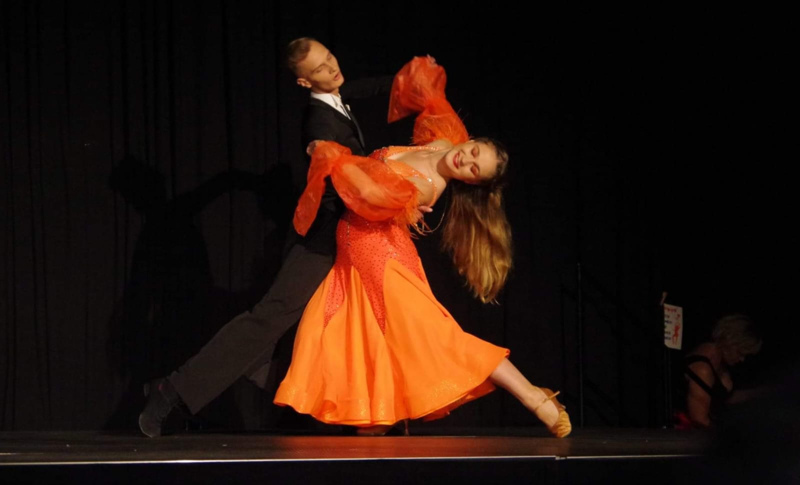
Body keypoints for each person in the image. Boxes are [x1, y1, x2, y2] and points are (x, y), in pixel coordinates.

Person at [273, 56, 572, 438]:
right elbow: (430, 97)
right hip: (355, 252)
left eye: (473, 170)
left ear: (470, 182)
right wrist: (424, 75)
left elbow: (366, 194)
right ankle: (379, 417)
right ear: (472, 141)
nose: (466, 160)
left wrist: (334, 156)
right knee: (364, 332)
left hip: (379, 255)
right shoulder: (445, 138)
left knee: (432, 334)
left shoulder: (425, 187)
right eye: (474, 152)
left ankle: (534, 398)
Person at [138, 37, 390, 437]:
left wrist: (408, 80)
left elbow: (359, 88)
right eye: (320, 69)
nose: (332, 69)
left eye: (330, 58)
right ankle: (172, 390)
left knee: (358, 317)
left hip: (349, 234)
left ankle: (369, 413)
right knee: (270, 317)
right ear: (304, 82)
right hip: (322, 240)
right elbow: (341, 184)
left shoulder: (334, 98)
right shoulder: (320, 123)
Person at [676, 313, 762, 429]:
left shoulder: (720, 363)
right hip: (690, 435)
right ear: (731, 343)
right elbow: (699, 419)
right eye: (740, 353)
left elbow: (725, 397)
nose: (742, 359)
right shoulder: (702, 368)